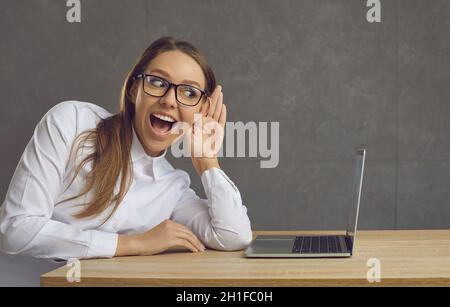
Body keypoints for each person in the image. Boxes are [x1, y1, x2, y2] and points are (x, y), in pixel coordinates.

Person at [0, 36, 252, 260]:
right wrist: (134, 244)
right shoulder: (71, 122)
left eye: (188, 93)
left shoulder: (172, 188)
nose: (168, 100)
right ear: (134, 89)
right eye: (157, 82)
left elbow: (233, 236)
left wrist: (207, 161)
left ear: (200, 110)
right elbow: (14, 229)